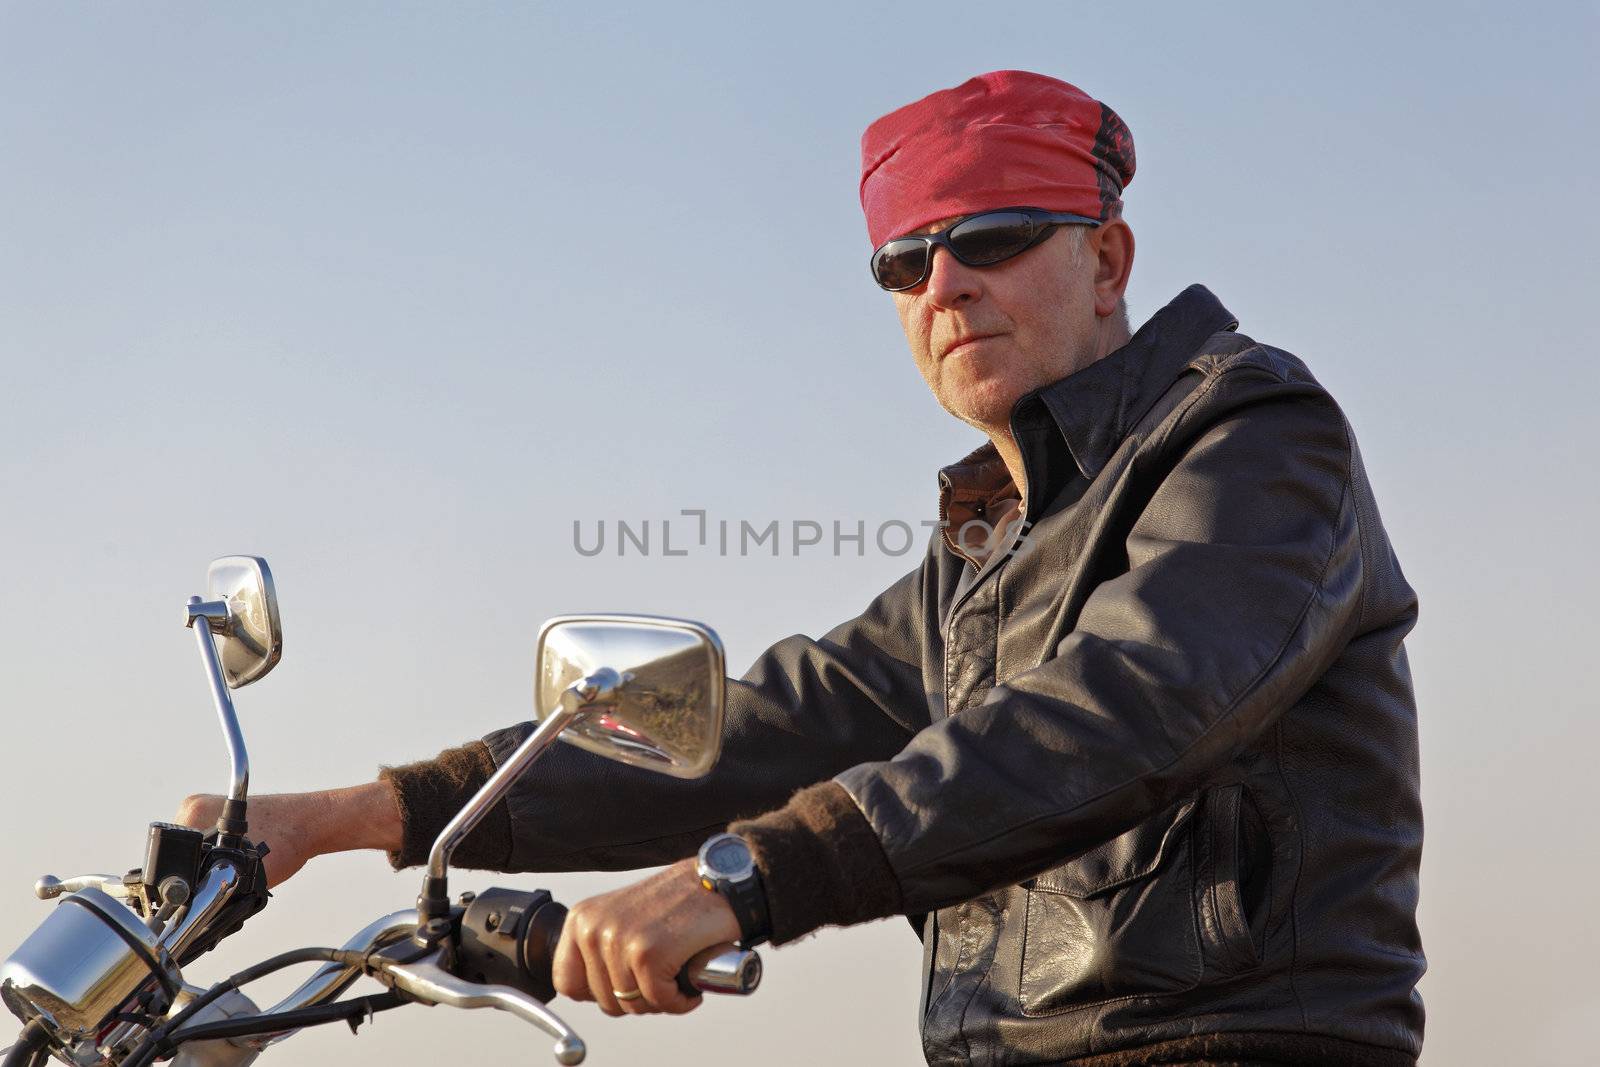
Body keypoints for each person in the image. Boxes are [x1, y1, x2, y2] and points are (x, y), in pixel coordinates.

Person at [179, 71, 1426, 1066]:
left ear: (1106, 261)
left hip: (1221, 1044)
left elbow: (1132, 701)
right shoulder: (992, 541)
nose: (945, 284)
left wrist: (738, 876)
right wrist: (353, 815)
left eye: (990, 236)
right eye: (905, 259)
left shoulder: (1251, 437)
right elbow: (759, 723)